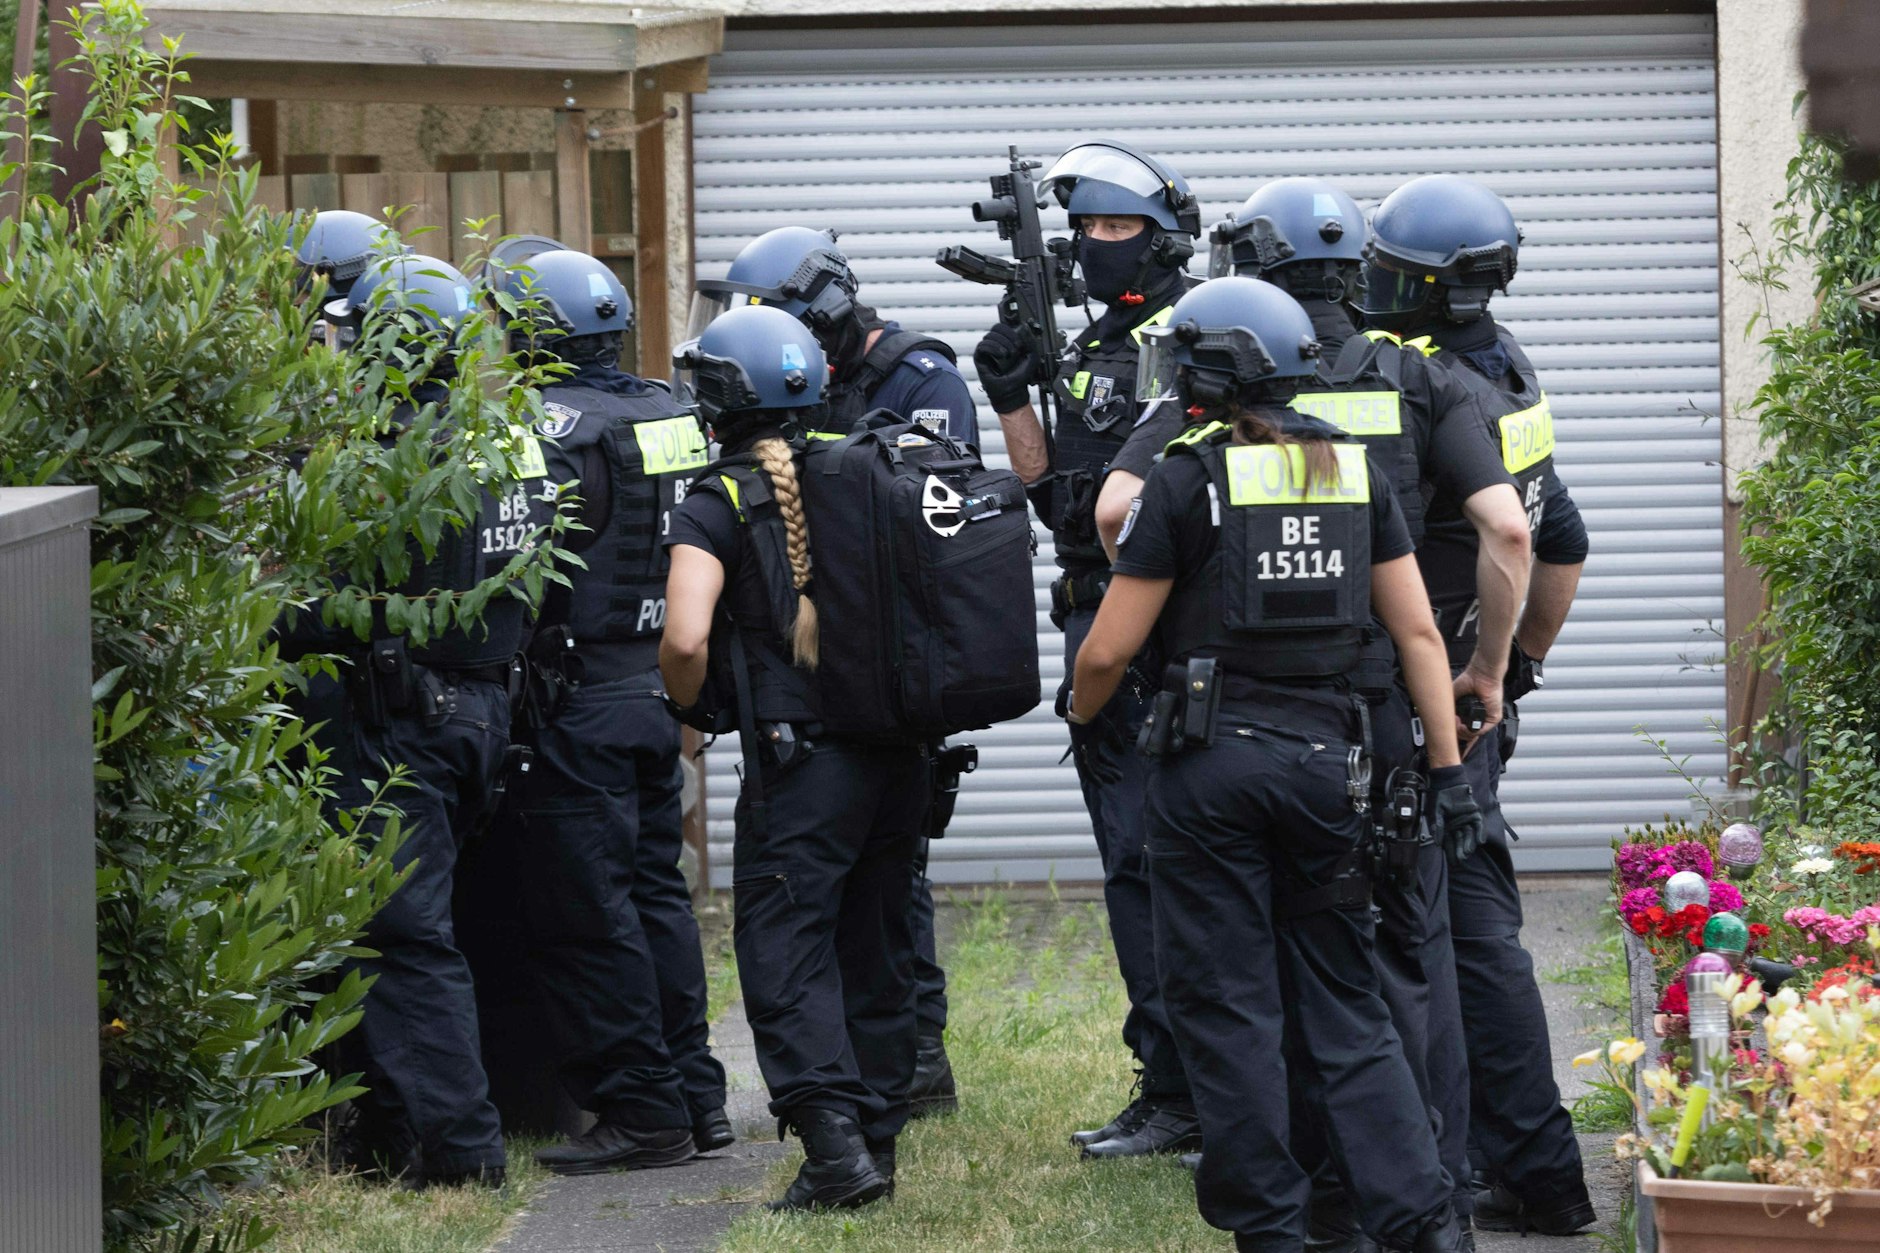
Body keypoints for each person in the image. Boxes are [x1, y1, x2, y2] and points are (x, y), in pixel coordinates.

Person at [1148, 176, 1533, 1248]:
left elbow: (1113, 511)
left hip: (1254, 726)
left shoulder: (1211, 409)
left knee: (1249, 985)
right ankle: (1434, 1197)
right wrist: (1494, 672)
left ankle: (1305, 1207)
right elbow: (1516, 532)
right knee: (1399, 969)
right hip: (1397, 728)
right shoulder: (1424, 375)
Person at [1070, 276, 1478, 1253]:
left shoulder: (1179, 477)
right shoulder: (1350, 471)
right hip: (1333, 765)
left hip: (1208, 774)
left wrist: (1084, 715)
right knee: (1347, 1002)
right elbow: (1418, 631)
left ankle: (1274, 1230)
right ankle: (1422, 1226)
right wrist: (1448, 768)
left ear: (1203, 376)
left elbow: (1104, 650)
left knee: (1226, 1008)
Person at [692, 225, 975, 1115]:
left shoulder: (917, 380)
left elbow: (944, 521)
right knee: (868, 899)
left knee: (872, 904)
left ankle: (907, 1071)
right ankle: (882, 1090)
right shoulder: (805, 421)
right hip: (834, 698)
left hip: (878, 691)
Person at [1359, 174, 1595, 1237]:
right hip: (1472, 690)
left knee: (1447, 934)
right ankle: (1535, 1177)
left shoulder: (1424, 385)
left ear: (1406, 281)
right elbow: (1563, 540)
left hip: (1429, 696)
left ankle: (1461, 1178)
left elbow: (1511, 535)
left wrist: (1482, 677)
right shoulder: (1508, 365)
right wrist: (1517, 666)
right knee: (1472, 927)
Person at [660, 304, 928, 1212]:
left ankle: (835, 1153)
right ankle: (878, 1143)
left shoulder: (719, 498)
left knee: (786, 950)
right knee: (878, 941)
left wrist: (693, 706)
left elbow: (687, 636)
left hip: (801, 766)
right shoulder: (871, 468)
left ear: (723, 402)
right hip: (899, 757)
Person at [476, 247, 728, 1175]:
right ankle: (699, 1100)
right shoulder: (672, 410)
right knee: (659, 895)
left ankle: (642, 1112)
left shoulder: (535, 427)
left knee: (592, 912)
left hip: (574, 701)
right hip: (656, 694)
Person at [973, 139, 1203, 1158]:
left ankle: (1191, 1088)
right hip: (1085, 608)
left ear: (1162, 240)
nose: (1097, 246)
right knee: (1129, 862)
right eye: (1085, 230)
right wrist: (1012, 395)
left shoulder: (1193, 333)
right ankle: (1171, 1079)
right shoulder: (1092, 341)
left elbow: (1136, 507)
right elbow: (1051, 496)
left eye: (1117, 229)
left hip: (1146, 623)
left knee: (1164, 862)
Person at [291, 254, 538, 1190]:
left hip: (405, 722)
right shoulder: (504, 433)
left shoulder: (388, 451)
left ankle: (461, 1152)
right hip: (482, 708)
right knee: (423, 922)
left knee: (405, 935)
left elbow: (335, 606)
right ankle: (398, 1131)